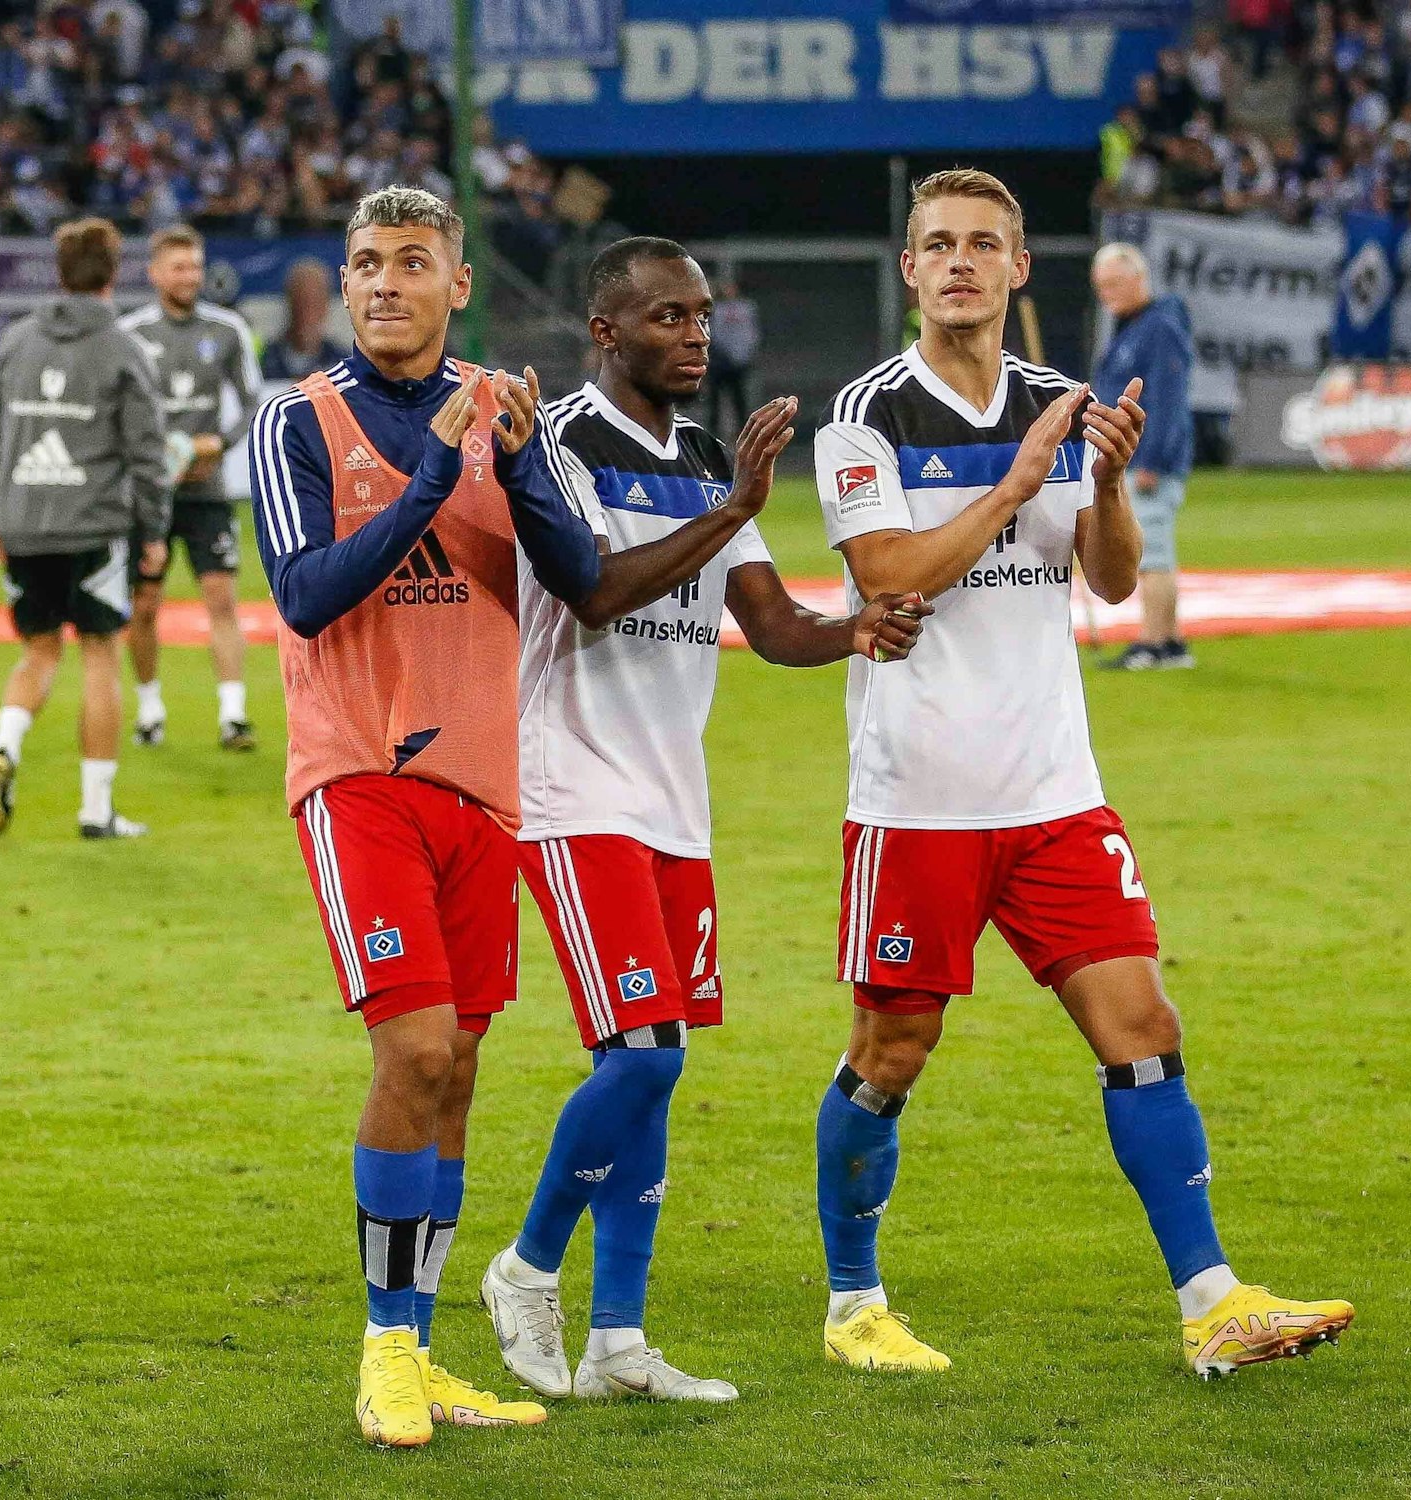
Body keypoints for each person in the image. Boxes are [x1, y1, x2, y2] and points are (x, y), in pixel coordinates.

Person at [249, 186, 810, 1449]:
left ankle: (431, 1343)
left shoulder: (516, 423)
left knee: (460, 1079)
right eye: (363, 264)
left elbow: (585, 581)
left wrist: (520, 458)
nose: (382, 283)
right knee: (416, 1055)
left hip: (485, 792)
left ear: (459, 287)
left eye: (411, 263)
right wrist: (439, 474)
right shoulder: (296, 420)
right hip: (360, 777)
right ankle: (387, 1351)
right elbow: (304, 595)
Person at [809, 168, 1351, 1380]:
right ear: (908, 270)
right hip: (918, 800)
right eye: (935, 244)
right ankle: (853, 1302)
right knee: (890, 1051)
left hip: (1053, 791)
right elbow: (893, 576)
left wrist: (1101, 482)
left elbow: (1105, 581)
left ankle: (1210, 1302)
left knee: (1143, 1027)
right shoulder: (864, 416)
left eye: (981, 245)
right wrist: (1016, 483)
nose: (957, 262)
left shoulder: (1064, 400)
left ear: (1017, 269)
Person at [478, 239, 928, 1407]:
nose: (695, 333)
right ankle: (525, 1270)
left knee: (651, 1070)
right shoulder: (559, 438)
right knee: (643, 1052)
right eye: (668, 316)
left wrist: (859, 628)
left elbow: (772, 626)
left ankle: (618, 1346)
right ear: (606, 331)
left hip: (673, 802)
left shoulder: (703, 455)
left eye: (702, 315)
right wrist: (732, 506)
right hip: (571, 789)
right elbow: (591, 589)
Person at [0, 216, 170, 840]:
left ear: (59, 273)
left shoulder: (17, 342)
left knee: (37, 651)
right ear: (114, 275)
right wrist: (155, 530)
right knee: (100, 656)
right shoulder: (122, 349)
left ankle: (6, 744)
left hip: (23, 524)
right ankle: (96, 808)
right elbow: (147, 452)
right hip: (91, 529)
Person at [118, 225, 264, 751]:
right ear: (156, 273)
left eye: (196, 266)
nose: (190, 276)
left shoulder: (227, 330)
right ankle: (150, 708)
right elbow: (118, 407)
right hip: (150, 493)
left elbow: (251, 401)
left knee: (221, 598)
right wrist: (148, 453)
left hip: (207, 490)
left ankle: (233, 714)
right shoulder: (131, 334)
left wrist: (217, 445)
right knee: (144, 606)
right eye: (179, 267)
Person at [1089, 243, 1196, 669]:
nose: (1107, 295)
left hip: (1148, 459)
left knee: (1151, 554)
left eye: (1115, 284)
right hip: (1137, 455)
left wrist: (1151, 458)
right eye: (1101, 287)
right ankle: (1169, 641)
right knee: (1157, 550)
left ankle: (1153, 645)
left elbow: (1168, 398)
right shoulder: (1135, 326)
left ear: (1139, 279)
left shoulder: (1159, 327)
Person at [260, 258, 346, 383]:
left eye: (315, 302)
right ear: (289, 302)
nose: (307, 313)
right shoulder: (262, 361)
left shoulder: (342, 365)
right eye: (301, 301)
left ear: (326, 307)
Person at [704, 275, 759, 438]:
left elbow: (752, 333)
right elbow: (712, 333)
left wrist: (745, 353)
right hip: (719, 361)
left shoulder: (747, 308)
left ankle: (744, 433)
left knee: (739, 399)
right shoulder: (716, 309)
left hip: (738, 362)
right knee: (714, 400)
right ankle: (712, 434)